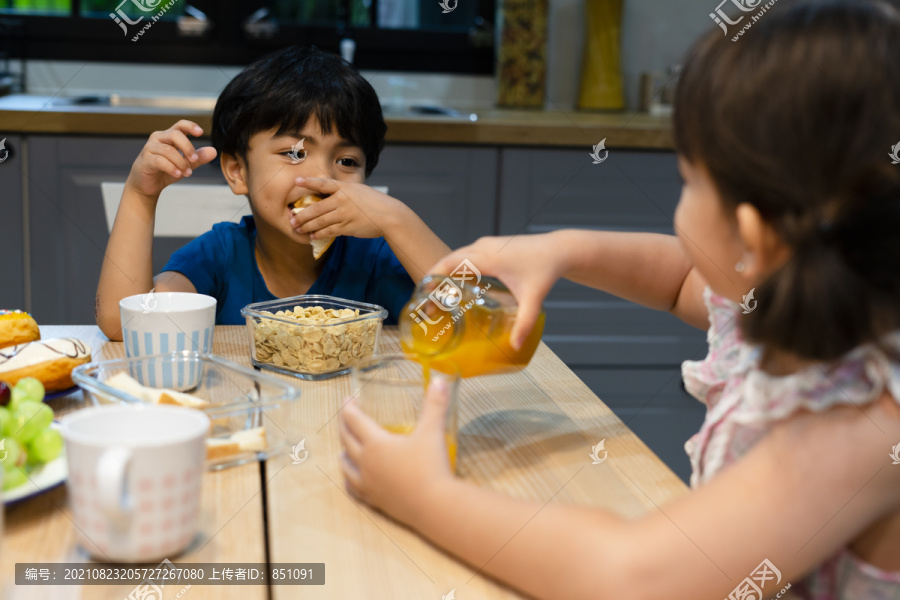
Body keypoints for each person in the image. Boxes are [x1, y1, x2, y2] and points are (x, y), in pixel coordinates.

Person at [337, 1, 900, 597]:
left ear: (754, 240)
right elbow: (685, 277)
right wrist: (561, 250)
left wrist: (425, 497)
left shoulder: (860, 426)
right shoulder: (787, 296)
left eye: (689, 181)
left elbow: (631, 578)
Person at [96, 46, 449, 340]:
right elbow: (123, 324)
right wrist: (141, 197)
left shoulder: (375, 259)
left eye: (345, 160)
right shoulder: (219, 256)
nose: (321, 177)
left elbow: (476, 317)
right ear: (238, 172)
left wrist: (396, 218)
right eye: (294, 153)